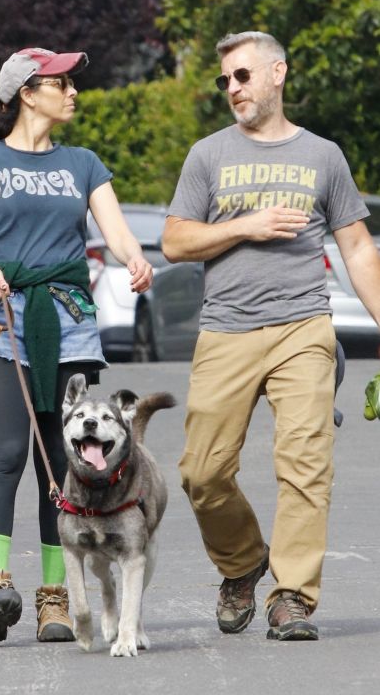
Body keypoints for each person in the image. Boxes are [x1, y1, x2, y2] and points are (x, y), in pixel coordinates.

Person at [162, 31, 380, 641]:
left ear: (277, 73)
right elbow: (176, 240)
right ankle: (242, 562)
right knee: (201, 473)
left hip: (303, 327)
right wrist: (246, 226)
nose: (232, 88)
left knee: (306, 464)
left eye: (242, 75)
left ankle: (292, 597)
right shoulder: (208, 156)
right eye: (225, 80)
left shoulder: (323, 155)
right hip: (225, 330)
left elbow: (358, 248)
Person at [0, 47, 153, 644]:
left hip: (70, 323)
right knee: (8, 453)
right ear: (27, 93)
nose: (73, 91)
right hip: (2, 326)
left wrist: (135, 260)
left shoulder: (84, 163)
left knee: (61, 465)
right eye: (61, 82)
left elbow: (115, 233)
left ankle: (56, 596)